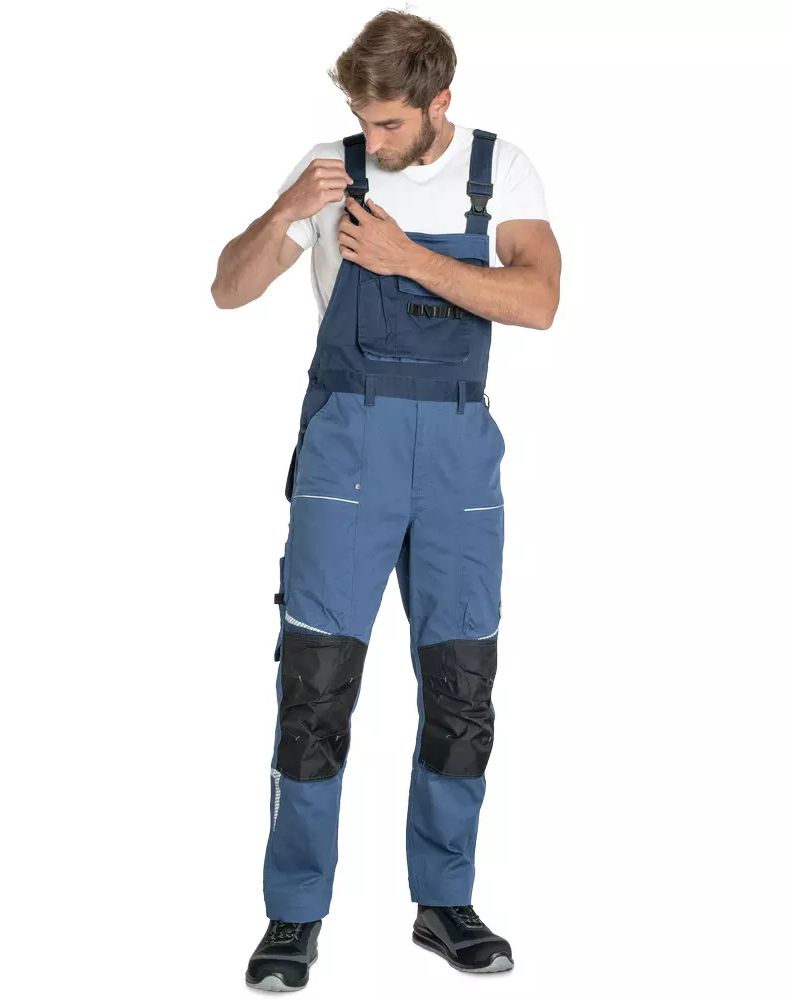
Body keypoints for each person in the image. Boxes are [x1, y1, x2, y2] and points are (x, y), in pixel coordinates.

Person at [211, 10, 561, 992]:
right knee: (314, 688)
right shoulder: (329, 168)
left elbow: (538, 301)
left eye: (392, 123)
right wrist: (286, 208)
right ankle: (293, 914)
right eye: (364, 119)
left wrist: (410, 259)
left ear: (441, 101)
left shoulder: (501, 171)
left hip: (458, 457)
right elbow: (228, 290)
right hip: (347, 450)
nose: (373, 139)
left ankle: (444, 901)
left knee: (461, 685)